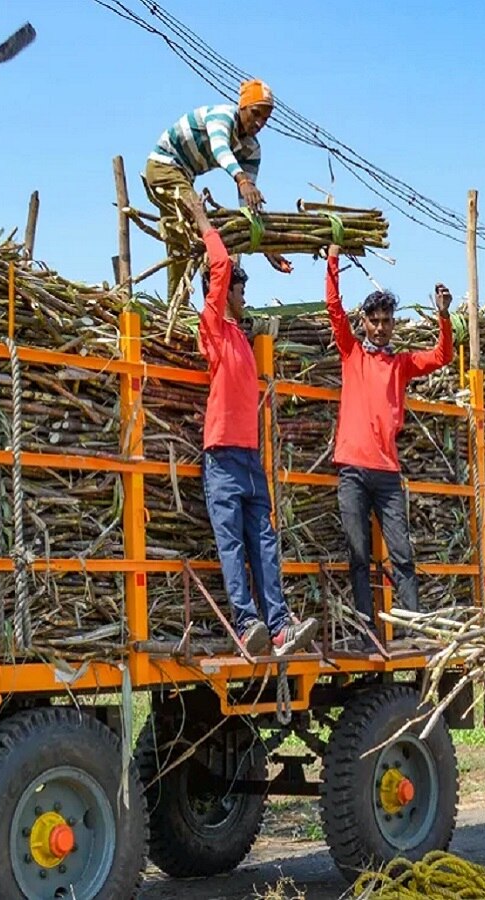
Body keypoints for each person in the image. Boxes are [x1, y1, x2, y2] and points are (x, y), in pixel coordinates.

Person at [181, 190, 316, 657]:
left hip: (249, 456)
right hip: (221, 454)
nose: (244, 295)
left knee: (263, 541)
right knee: (233, 545)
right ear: (222, 296)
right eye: (240, 290)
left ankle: (279, 625)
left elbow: (228, 268)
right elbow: (218, 269)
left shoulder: (241, 334)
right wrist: (202, 218)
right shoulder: (213, 328)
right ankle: (247, 624)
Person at [324, 243, 453, 649]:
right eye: (374, 320)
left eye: (386, 321)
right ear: (364, 322)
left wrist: (444, 315)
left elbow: (442, 356)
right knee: (359, 555)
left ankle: (413, 630)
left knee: (402, 554)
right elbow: (333, 309)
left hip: (387, 473)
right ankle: (365, 635)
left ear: (393, 324)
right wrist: (333, 260)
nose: (380, 327)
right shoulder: (351, 353)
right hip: (352, 470)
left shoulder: (401, 364)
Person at [142, 78, 290, 304]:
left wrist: (266, 248)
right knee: (197, 222)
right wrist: (242, 180)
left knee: (186, 242)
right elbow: (220, 148)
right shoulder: (221, 117)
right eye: (256, 113)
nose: (259, 123)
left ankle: (180, 304)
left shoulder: (251, 149)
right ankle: (183, 304)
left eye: (265, 118)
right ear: (242, 106)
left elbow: (247, 206)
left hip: (184, 177)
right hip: (164, 167)